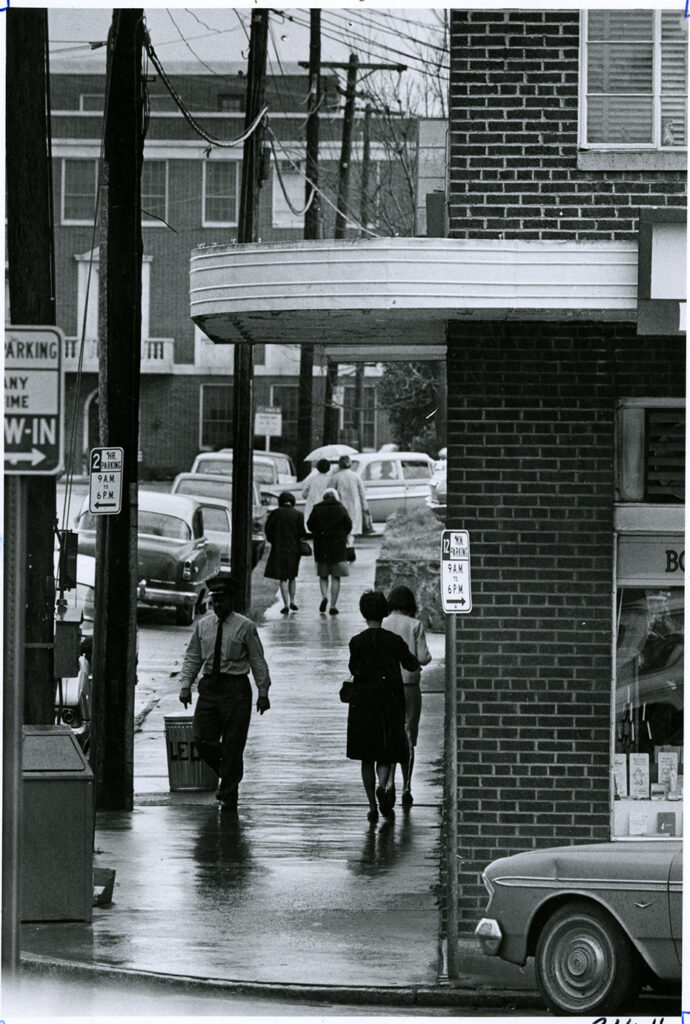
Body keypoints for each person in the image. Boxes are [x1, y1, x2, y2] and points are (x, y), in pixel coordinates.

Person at [178, 575, 271, 812]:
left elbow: (257, 660)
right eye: (214, 601)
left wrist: (263, 691)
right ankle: (230, 773)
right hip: (210, 689)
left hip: (236, 690)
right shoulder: (203, 626)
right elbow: (193, 657)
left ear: (231, 600)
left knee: (233, 744)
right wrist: (186, 686)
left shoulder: (245, 627)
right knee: (202, 738)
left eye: (222, 600)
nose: (217, 605)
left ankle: (229, 793)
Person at [346, 590, 420, 824]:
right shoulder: (394, 641)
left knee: (366, 757)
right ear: (384, 612)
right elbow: (411, 663)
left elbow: (354, 668)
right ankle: (382, 785)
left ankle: (371, 807)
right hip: (389, 704)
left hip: (363, 705)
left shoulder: (356, 642)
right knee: (386, 753)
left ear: (363, 613)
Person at [382, 585, 432, 807]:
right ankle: (407, 786)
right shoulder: (415, 625)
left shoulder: (383, 623)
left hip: (387, 686)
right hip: (410, 685)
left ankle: (389, 782)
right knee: (408, 737)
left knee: (391, 734)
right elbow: (423, 657)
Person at [306, 487, 352, 615]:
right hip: (338, 548)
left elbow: (310, 526)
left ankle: (324, 596)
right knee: (336, 577)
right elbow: (349, 525)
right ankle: (333, 606)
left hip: (321, 548)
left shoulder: (317, 508)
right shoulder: (341, 508)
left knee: (323, 576)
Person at [264, 490, 307, 614]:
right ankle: (293, 600)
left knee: (283, 578)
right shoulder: (298, 514)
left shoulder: (275, 514)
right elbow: (302, 533)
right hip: (294, 549)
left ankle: (286, 604)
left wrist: (273, 541)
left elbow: (268, 530)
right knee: (292, 576)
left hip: (279, 549)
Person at [332, 454, 369, 544]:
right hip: (355, 506)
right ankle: (350, 546)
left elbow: (330, 491)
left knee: (342, 527)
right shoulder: (356, 476)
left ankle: (344, 547)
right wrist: (365, 507)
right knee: (352, 530)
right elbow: (362, 493)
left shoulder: (336, 477)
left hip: (340, 506)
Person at [301, 458, 333, 524]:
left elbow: (304, 495)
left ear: (317, 468)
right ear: (329, 468)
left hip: (312, 506)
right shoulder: (331, 480)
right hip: (326, 507)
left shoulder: (312, 479)